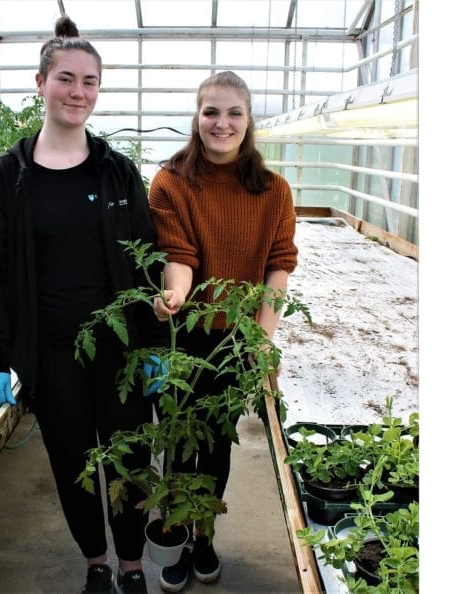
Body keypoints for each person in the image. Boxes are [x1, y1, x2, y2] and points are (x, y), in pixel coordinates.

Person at [0, 16, 163, 594]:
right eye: (67, 79)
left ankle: (132, 565)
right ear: (40, 83)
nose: (79, 92)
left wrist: (151, 343)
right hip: (50, 352)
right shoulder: (7, 177)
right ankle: (96, 562)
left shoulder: (117, 171)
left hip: (121, 349)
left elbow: (147, 262)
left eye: (90, 82)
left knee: (128, 460)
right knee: (73, 463)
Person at [148, 71, 299, 592]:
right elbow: (180, 256)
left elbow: (278, 266)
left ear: (249, 119)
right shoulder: (171, 181)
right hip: (183, 335)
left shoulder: (274, 191)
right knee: (175, 438)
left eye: (234, 112)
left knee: (215, 442)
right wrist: (174, 297)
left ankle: (204, 533)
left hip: (236, 338)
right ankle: (174, 528)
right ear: (197, 116)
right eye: (211, 111)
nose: (222, 122)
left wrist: (262, 337)